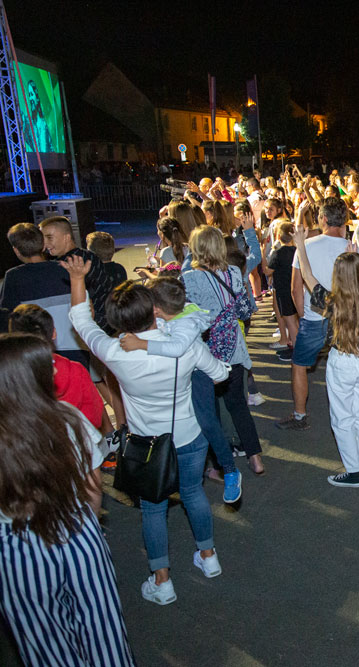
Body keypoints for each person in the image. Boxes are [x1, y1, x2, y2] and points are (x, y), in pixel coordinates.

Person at [63, 256, 229, 606]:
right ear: (154, 310)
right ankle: (209, 557)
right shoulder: (184, 344)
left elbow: (80, 320)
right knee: (194, 493)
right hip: (189, 436)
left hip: (147, 445)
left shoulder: (114, 352)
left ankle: (162, 581)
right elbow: (220, 374)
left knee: (153, 509)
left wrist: (78, 278)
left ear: (117, 321)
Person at [0, 333, 134, 666]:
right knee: (104, 630)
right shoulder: (66, 417)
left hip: (17, 550)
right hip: (76, 528)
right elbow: (92, 487)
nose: (56, 369)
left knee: (45, 643)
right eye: (46, 364)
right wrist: (89, 525)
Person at [118, 277, 244, 504]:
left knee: (207, 422)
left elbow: (177, 349)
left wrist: (141, 344)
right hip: (189, 372)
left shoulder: (187, 323)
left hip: (198, 374)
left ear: (155, 309)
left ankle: (230, 470)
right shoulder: (173, 314)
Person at [294, 230, 359, 487]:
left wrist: (301, 246)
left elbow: (308, 276)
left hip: (342, 362)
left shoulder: (332, 301)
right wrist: (354, 256)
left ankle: (353, 472)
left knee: (342, 418)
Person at [183, 226, 266, 476]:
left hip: (205, 352)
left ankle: (220, 465)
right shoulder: (233, 272)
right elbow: (244, 310)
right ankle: (255, 458)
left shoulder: (189, 278)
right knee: (238, 405)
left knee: (210, 411)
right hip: (234, 348)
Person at [277, 199, 350, 430]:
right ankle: (349, 413)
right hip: (344, 318)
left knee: (299, 364)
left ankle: (300, 415)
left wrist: (302, 314)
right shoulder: (350, 247)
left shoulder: (306, 246)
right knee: (347, 363)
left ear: (324, 218)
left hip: (314, 317)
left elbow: (295, 287)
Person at [1, 222, 88, 368]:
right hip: (76, 346)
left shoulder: (13, 277)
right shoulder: (67, 269)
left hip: (36, 351)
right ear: (43, 246)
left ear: (16, 250)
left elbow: (7, 316)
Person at [7, 304, 105, 430]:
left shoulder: (9, 378)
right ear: (54, 333)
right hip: (78, 437)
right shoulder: (76, 370)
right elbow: (95, 418)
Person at [39, 216, 116, 334]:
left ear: (67, 237)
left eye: (49, 237)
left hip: (88, 329)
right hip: (108, 323)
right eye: (42, 238)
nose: (45, 243)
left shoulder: (64, 265)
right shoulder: (90, 256)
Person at [263, 221, 299, 360]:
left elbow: (267, 271)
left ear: (278, 236)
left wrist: (263, 256)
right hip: (295, 289)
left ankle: (295, 349)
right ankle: (294, 344)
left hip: (283, 291)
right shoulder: (297, 251)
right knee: (295, 320)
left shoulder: (277, 253)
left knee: (289, 321)